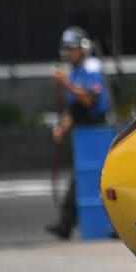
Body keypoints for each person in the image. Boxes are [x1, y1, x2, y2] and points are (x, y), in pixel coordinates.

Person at [45, 26, 110, 239]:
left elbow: (89, 100)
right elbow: (74, 108)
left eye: (73, 48)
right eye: (67, 49)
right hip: (82, 130)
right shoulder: (74, 71)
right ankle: (66, 223)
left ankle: (71, 223)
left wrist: (67, 84)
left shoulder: (91, 67)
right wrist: (62, 128)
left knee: (94, 176)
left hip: (96, 128)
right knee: (81, 176)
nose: (70, 52)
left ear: (82, 48)